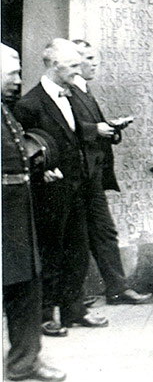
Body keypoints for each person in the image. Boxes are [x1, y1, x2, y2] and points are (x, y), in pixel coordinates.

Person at [14, 39, 109, 335]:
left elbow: (77, 136)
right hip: (48, 196)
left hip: (76, 190)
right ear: (55, 66)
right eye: (73, 65)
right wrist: (42, 171)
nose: (79, 70)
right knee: (50, 254)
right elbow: (22, 151)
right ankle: (44, 314)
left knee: (78, 252)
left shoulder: (72, 96)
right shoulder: (28, 104)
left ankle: (73, 310)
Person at [2, 44, 66, 382]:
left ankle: (24, 362)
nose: (18, 80)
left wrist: (36, 168)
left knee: (25, 289)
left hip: (15, 217)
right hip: (5, 220)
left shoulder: (4, 108)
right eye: (12, 73)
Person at [70, 40, 151, 306]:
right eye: (89, 58)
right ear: (74, 60)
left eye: (95, 58)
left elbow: (88, 127)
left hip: (92, 176)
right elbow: (64, 130)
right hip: (78, 177)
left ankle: (117, 289)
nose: (95, 63)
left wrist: (110, 129)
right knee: (78, 239)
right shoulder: (66, 92)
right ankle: (74, 298)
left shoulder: (84, 90)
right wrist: (96, 130)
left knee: (104, 233)